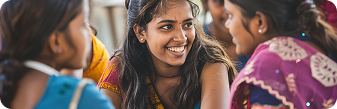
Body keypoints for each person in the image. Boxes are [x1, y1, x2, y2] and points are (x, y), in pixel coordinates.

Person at [98, 0, 238, 108]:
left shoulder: (209, 62)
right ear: (140, 32)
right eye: (167, 27)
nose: (182, 38)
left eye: (188, 24)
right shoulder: (121, 69)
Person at [0, 0, 115, 108]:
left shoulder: (7, 88)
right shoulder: (84, 97)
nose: (90, 35)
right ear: (55, 41)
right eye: (84, 23)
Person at [224, 0, 337, 109]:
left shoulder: (268, 68)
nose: (227, 24)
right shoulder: (320, 44)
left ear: (260, 22)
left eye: (230, 16)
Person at [201, 0, 250, 72]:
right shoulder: (194, 43)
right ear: (205, 4)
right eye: (220, 2)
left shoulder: (257, 40)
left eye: (234, 1)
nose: (228, 9)